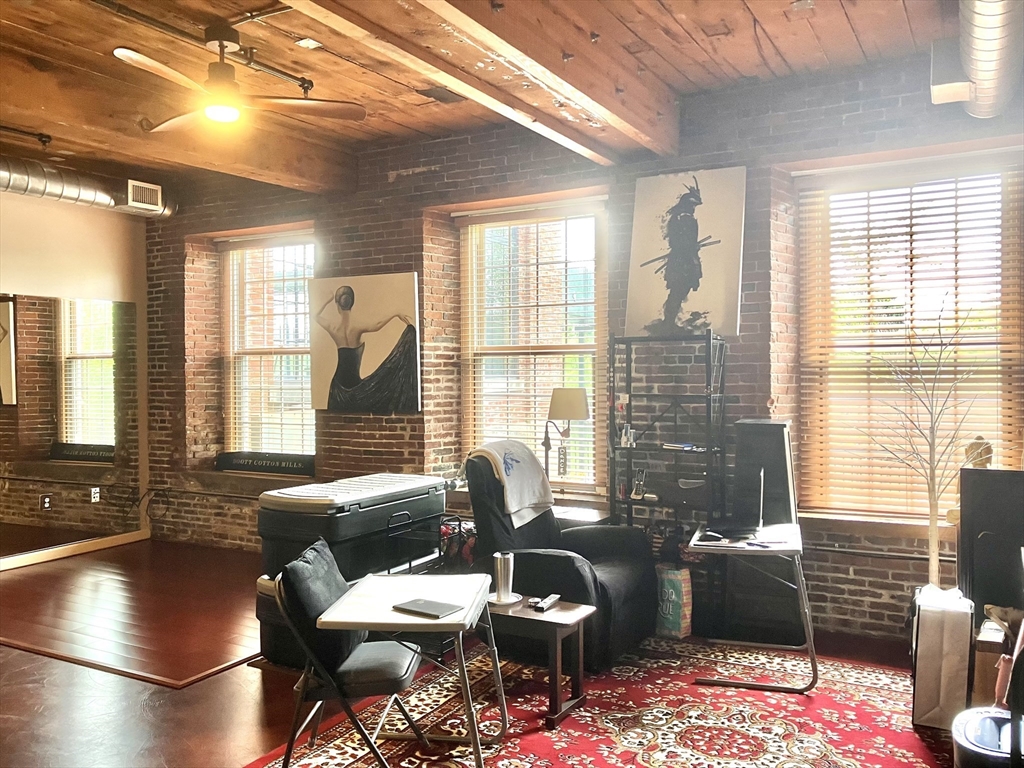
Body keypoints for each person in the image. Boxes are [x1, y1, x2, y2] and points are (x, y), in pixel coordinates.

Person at [315, 284, 418, 414]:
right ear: (352, 302)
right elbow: (377, 325)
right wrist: (395, 314)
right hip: (355, 386)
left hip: (337, 385)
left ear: (337, 304)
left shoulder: (333, 328)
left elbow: (315, 316)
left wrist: (328, 299)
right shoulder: (357, 327)